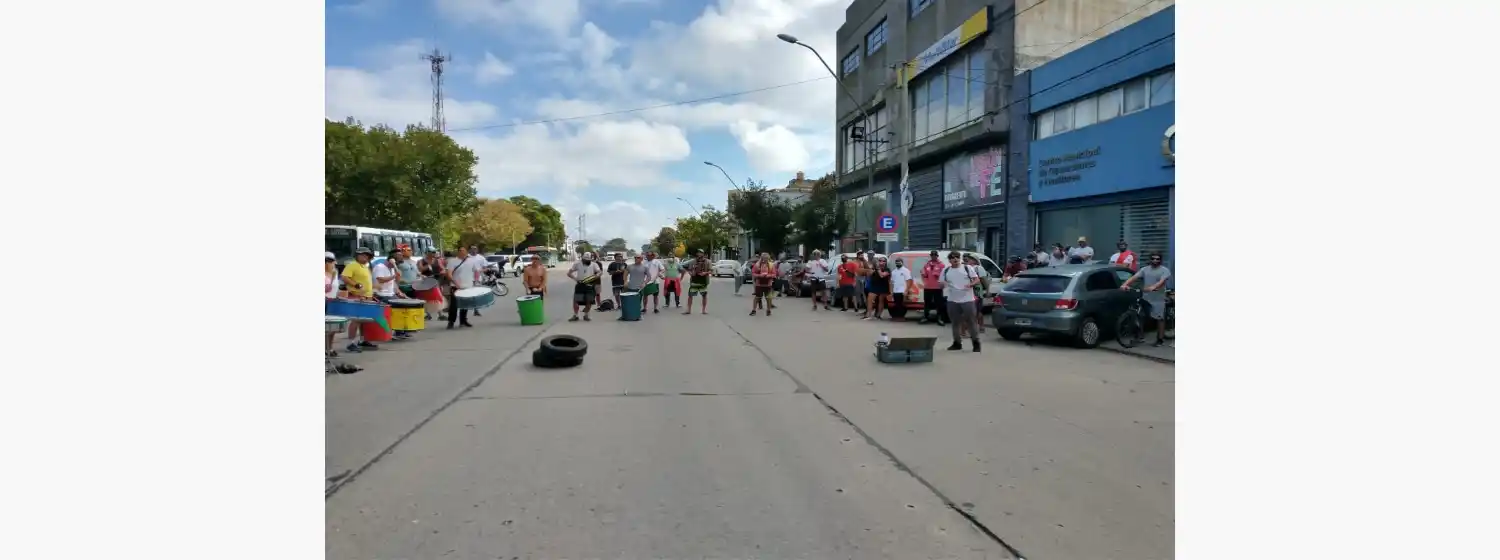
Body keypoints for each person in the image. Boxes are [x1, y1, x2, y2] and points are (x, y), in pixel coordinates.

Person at [1120, 252, 1172, 347]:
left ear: (1161, 260)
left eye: (1157, 259)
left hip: (1158, 298)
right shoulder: (1144, 269)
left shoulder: (1165, 270)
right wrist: (1125, 284)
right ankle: (1140, 337)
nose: (1155, 260)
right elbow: (1134, 277)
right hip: (1146, 297)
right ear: (1150, 259)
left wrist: (1153, 287)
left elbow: (1161, 282)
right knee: (1140, 316)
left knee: (1159, 318)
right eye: (1153, 258)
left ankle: (1160, 339)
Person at [340, 247, 378, 353]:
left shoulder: (365, 267)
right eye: (363, 255)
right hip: (357, 296)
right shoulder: (352, 265)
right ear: (357, 256)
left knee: (364, 320)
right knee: (356, 320)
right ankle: (350, 343)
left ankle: (363, 340)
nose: (366, 257)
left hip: (367, 296)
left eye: (367, 255)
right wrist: (355, 285)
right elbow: (344, 277)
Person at [941, 252, 981, 352]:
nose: (955, 259)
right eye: (952, 258)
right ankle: (957, 343)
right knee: (955, 322)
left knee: (971, 322)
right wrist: (943, 284)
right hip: (952, 300)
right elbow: (941, 283)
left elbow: (977, 280)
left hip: (967, 300)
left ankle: (976, 343)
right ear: (949, 260)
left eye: (957, 257)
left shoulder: (967, 268)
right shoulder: (946, 270)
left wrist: (971, 284)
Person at [372, 251, 411, 340]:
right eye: (396, 263)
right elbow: (380, 280)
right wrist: (394, 276)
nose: (396, 265)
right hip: (381, 295)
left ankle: (403, 329)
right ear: (391, 260)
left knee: (406, 303)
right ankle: (398, 331)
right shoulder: (380, 267)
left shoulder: (392, 268)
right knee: (399, 307)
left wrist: (399, 292)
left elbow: (394, 283)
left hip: (390, 294)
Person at [445, 246, 482, 329]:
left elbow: (476, 271)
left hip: (467, 286)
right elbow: (449, 274)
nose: (462, 252)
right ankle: (451, 321)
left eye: (464, 251)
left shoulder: (471, 261)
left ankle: (463, 321)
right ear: (458, 252)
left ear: (466, 252)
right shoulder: (452, 261)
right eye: (460, 250)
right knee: (454, 305)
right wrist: (455, 283)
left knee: (465, 304)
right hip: (455, 286)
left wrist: (476, 280)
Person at [567, 252, 603, 322]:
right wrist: (575, 279)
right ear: (582, 259)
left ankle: (586, 315)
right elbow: (569, 273)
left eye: (588, 260)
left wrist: (596, 276)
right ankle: (575, 315)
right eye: (585, 260)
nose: (587, 261)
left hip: (590, 284)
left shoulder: (594, 264)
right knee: (576, 300)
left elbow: (600, 272)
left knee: (589, 301)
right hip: (580, 284)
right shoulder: (577, 264)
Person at [919, 250, 948, 326]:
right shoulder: (927, 264)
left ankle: (940, 318)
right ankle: (925, 317)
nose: (933, 256)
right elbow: (924, 274)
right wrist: (923, 274)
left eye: (935, 255)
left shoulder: (941, 265)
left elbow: (944, 275)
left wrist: (938, 274)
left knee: (939, 303)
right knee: (927, 302)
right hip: (928, 287)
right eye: (932, 255)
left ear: (937, 256)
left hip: (937, 287)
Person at [964, 253, 990, 336]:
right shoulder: (965, 268)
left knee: (976, 311)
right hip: (967, 292)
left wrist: (988, 291)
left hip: (977, 293)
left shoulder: (979, 268)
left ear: (975, 261)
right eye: (968, 258)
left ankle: (978, 327)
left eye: (970, 259)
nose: (968, 260)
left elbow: (984, 280)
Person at [416, 249, 446, 320]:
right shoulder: (421, 261)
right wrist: (429, 264)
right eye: (432, 252)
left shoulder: (437, 260)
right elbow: (420, 269)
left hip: (435, 281)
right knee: (426, 298)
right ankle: (428, 314)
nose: (434, 253)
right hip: (426, 281)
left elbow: (443, 268)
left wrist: (442, 271)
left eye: (434, 252)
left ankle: (440, 314)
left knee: (437, 297)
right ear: (427, 253)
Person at [325, 252, 343, 358]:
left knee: (332, 328)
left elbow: (336, 288)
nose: (333, 264)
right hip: (325, 302)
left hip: (333, 302)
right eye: (330, 262)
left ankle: (329, 348)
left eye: (333, 261)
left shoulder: (334, 273)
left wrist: (338, 295)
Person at [683, 250, 712, 315]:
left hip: (703, 281)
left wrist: (705, 273)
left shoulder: (708, 261)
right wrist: (690, 273)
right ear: (697, 253)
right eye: (698, 252)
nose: (699, 254)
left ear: (703, 254)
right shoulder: (693, 261)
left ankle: (703, 310)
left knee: (704, 295)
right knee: (690, 295)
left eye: (701, 253)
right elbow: (686, 268)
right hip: (694, 281)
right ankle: (688, 310)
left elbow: (711, 271)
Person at [465, 246, 489, 317]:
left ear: (477, 250)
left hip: (477, 278)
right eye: (472, 249)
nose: (474, 250)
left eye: (475, 249)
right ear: (470, 250)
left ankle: (476, 310)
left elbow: (485, 268)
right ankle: (464, 310)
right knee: (468, 294)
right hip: (467, 278)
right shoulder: (466, 257)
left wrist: (480, 270)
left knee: (476, 294)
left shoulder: (481, 258)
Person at [889, 256, 913, 321]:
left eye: (899, 262)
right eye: (897, 262)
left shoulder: (906, 270)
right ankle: (898, 317)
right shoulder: (894, 271)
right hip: (895, 291)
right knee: (897, 304)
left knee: (902, 304)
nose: (898, 263)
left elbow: (909, 281)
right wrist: (891, 291)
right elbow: (891, 282)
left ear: (902, 262)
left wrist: (906, 290)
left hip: (903, 291)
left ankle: (902, 317)